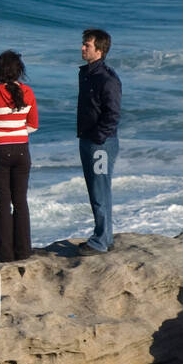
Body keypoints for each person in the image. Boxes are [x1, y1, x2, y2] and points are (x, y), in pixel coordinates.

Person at [0, 50, 38, 261]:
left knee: (3, 202)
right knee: (20, 200)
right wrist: (16, 133)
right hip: (22, 150)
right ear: (19, 71)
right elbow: (33, 125)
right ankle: (23, 251)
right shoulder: (28, 92)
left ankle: (3, 253)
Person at [76, 28, 121, 256]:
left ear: (100, 50)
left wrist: (98, 137)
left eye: (87, 45)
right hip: (88, 140)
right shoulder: (87, 74)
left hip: (100, 144)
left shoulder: (107, 78)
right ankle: (106, 237)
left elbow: (113, 114)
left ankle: (101, 241)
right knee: (96, 189)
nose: (83, 48)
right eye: (83, 44)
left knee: (99, 190)